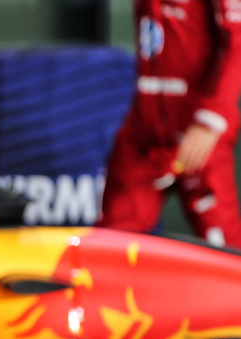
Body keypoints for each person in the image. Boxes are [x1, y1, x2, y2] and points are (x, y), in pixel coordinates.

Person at [98, 0, 241, 247]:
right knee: (112, 244)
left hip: (199, 136)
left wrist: (210, 121)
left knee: (225, 249)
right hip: (144, 133)